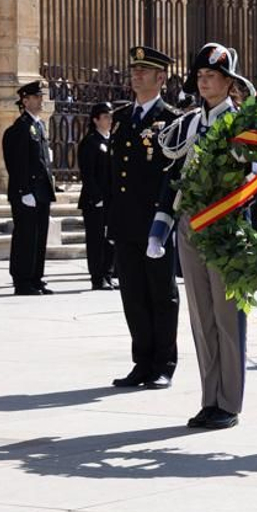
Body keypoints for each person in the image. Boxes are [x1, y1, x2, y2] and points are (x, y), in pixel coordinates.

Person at [148, 43, 252, 429]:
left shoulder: (243, 124)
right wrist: (161, 226)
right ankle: (210, 397)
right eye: (201, 77)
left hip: (226, 227)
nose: (205, 83)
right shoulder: (190, 124)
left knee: (228, 317)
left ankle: (230, 400)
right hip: (191, 226)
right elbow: (172, 177)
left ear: (229, 82)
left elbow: (252, 178)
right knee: (201, 317)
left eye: (212, 77)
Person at [107, 46, 181, 389]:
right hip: (125, 220)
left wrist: (166, 221)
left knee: (161, 294)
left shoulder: (172, 120)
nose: (136, 75)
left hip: (155, 222)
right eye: (134, 70)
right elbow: (114, 173)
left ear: (160, 78)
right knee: (133, 295)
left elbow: (172, 174)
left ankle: (164, 362)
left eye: (144, 71)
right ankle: (141, 361)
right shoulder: (122, 117)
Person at [3, 81, 57, 296]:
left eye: (40, 96)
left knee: (39, 236)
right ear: (25, 101)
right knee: (25, 237)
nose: (40, 100)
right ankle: (22, 279)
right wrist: (24, 191)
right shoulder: (20, 128)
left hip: (41, 191)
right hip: (27, 192)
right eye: (35, 97)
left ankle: (36, 277)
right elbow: (17, 164)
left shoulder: (39, 125)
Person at [78, 101, 116, 291]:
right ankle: (97, 277)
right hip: (96, 201)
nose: (110, 120)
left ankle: (108, 274)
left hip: (112, 200)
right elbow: (88, 174)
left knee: (110, 238)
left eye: (111, 116)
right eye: (106, 117)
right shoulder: (90, 142)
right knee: (96, 240)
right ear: (96, 120)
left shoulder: (112, 141)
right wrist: (97, 197)